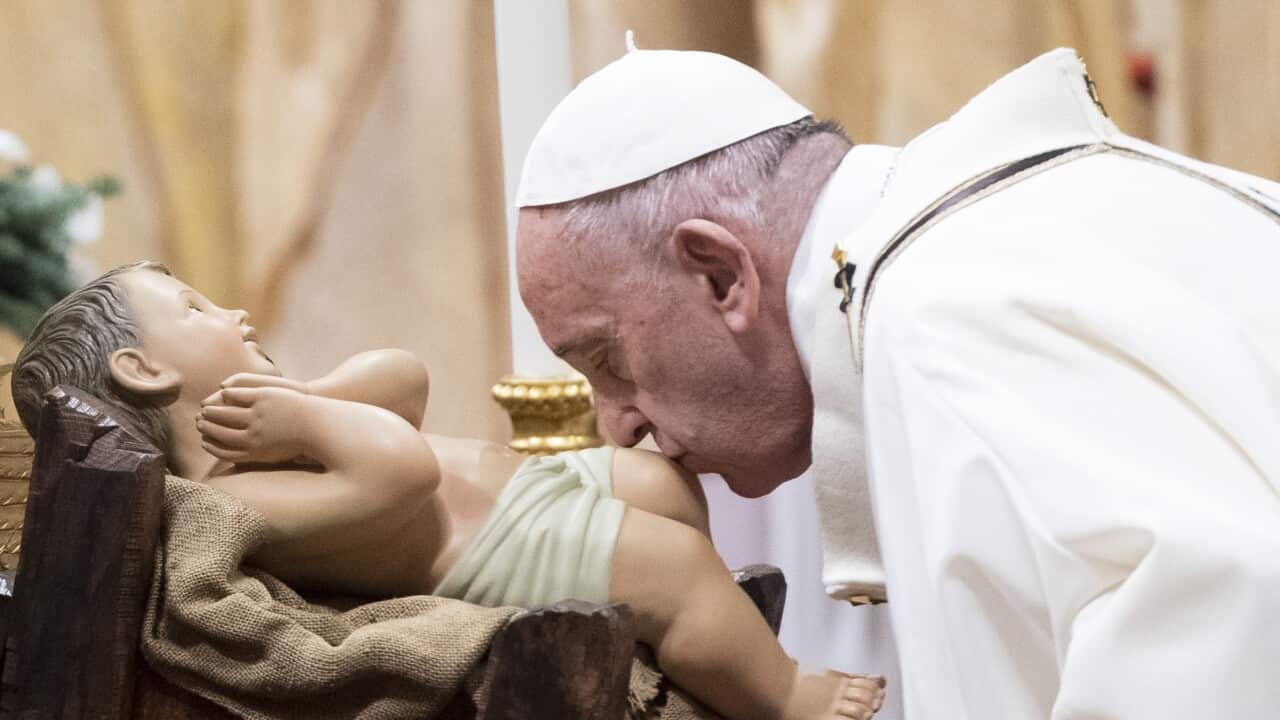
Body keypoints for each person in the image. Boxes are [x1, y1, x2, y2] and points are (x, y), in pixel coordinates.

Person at [515, 44, 1280, 719]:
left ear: (720, 274)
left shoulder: (944, 312)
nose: (616, 425)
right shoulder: (1031, 225)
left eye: (606, 360)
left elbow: (1225, 620)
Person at [10, 261, 885, 720]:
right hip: (496, 553)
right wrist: (312, 428)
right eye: (196, 310)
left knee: (660, 484)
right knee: (680, 568)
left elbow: (404, 381)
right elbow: (401, 473)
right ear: (143, 368)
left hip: (531, 493)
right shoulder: (233, 498)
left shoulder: (274, 419)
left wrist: (309, 400)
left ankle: (695, 655)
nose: (235, 315)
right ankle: (782, 699)